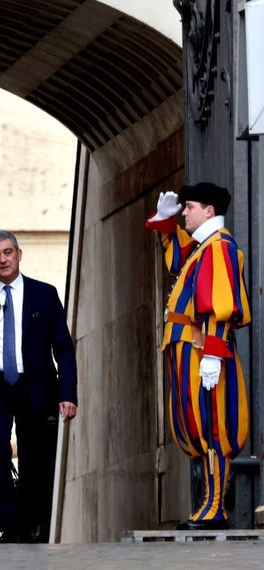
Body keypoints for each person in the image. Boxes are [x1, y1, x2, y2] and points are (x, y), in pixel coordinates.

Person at [146, 183, 250, 530]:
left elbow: (219, 307)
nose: (183, 213)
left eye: (188, 207)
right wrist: (164, 222)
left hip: (202, 349)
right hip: (189, 349)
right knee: (194, 427)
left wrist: (213, 354)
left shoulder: (220, 247)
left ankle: (216, 506)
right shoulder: (202, 248)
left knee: (213, 425)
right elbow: (178, 259)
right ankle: (208, 503)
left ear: (209, 210)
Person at [0, 230, 77, 543]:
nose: (3, 259)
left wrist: (68, 394)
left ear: (19, 254)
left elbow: (64, 348)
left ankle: (32, 526)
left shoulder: (45, 293)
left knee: (36, 458)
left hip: (37, 386)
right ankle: (10, 523)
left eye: (7, 252)